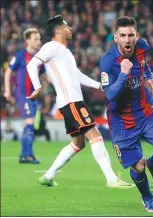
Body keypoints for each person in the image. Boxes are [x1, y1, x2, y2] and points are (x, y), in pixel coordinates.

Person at [26, 15, 133, 189]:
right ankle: (112, 179)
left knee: (78, 143)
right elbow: (31, 65)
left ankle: (48, 176)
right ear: (58, 30)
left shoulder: (64, 51)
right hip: (71, 101)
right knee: (95, 135)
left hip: (70, 101)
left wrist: (99, 86)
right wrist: (37, 87)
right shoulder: (51, 46)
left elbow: (77, 75)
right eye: (66, 26)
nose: (70, 29)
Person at [100, 16, 153, 212]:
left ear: (136, 36)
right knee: (137, 166)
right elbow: (109, 94)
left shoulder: (142, 46)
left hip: (145, 110)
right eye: (122, 35)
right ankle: (148, 197)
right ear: (115, 38)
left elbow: (143, 62)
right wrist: (124, 73)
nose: (127, 40)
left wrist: (148, 76)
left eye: (131, 35)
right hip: (121, 121)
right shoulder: (108, 62)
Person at [3, 28, 44, 164]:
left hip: (34, 96)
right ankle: (28, 155)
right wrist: (7, 91)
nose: (39, 41)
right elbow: (8, 71)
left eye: (39, 39)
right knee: (30, 123)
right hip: (22, 94)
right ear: (27, 41)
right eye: (35, 39)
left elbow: (44, 74)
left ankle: (24, 155)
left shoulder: (39, 58)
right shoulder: (21, 56)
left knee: (31, 126)